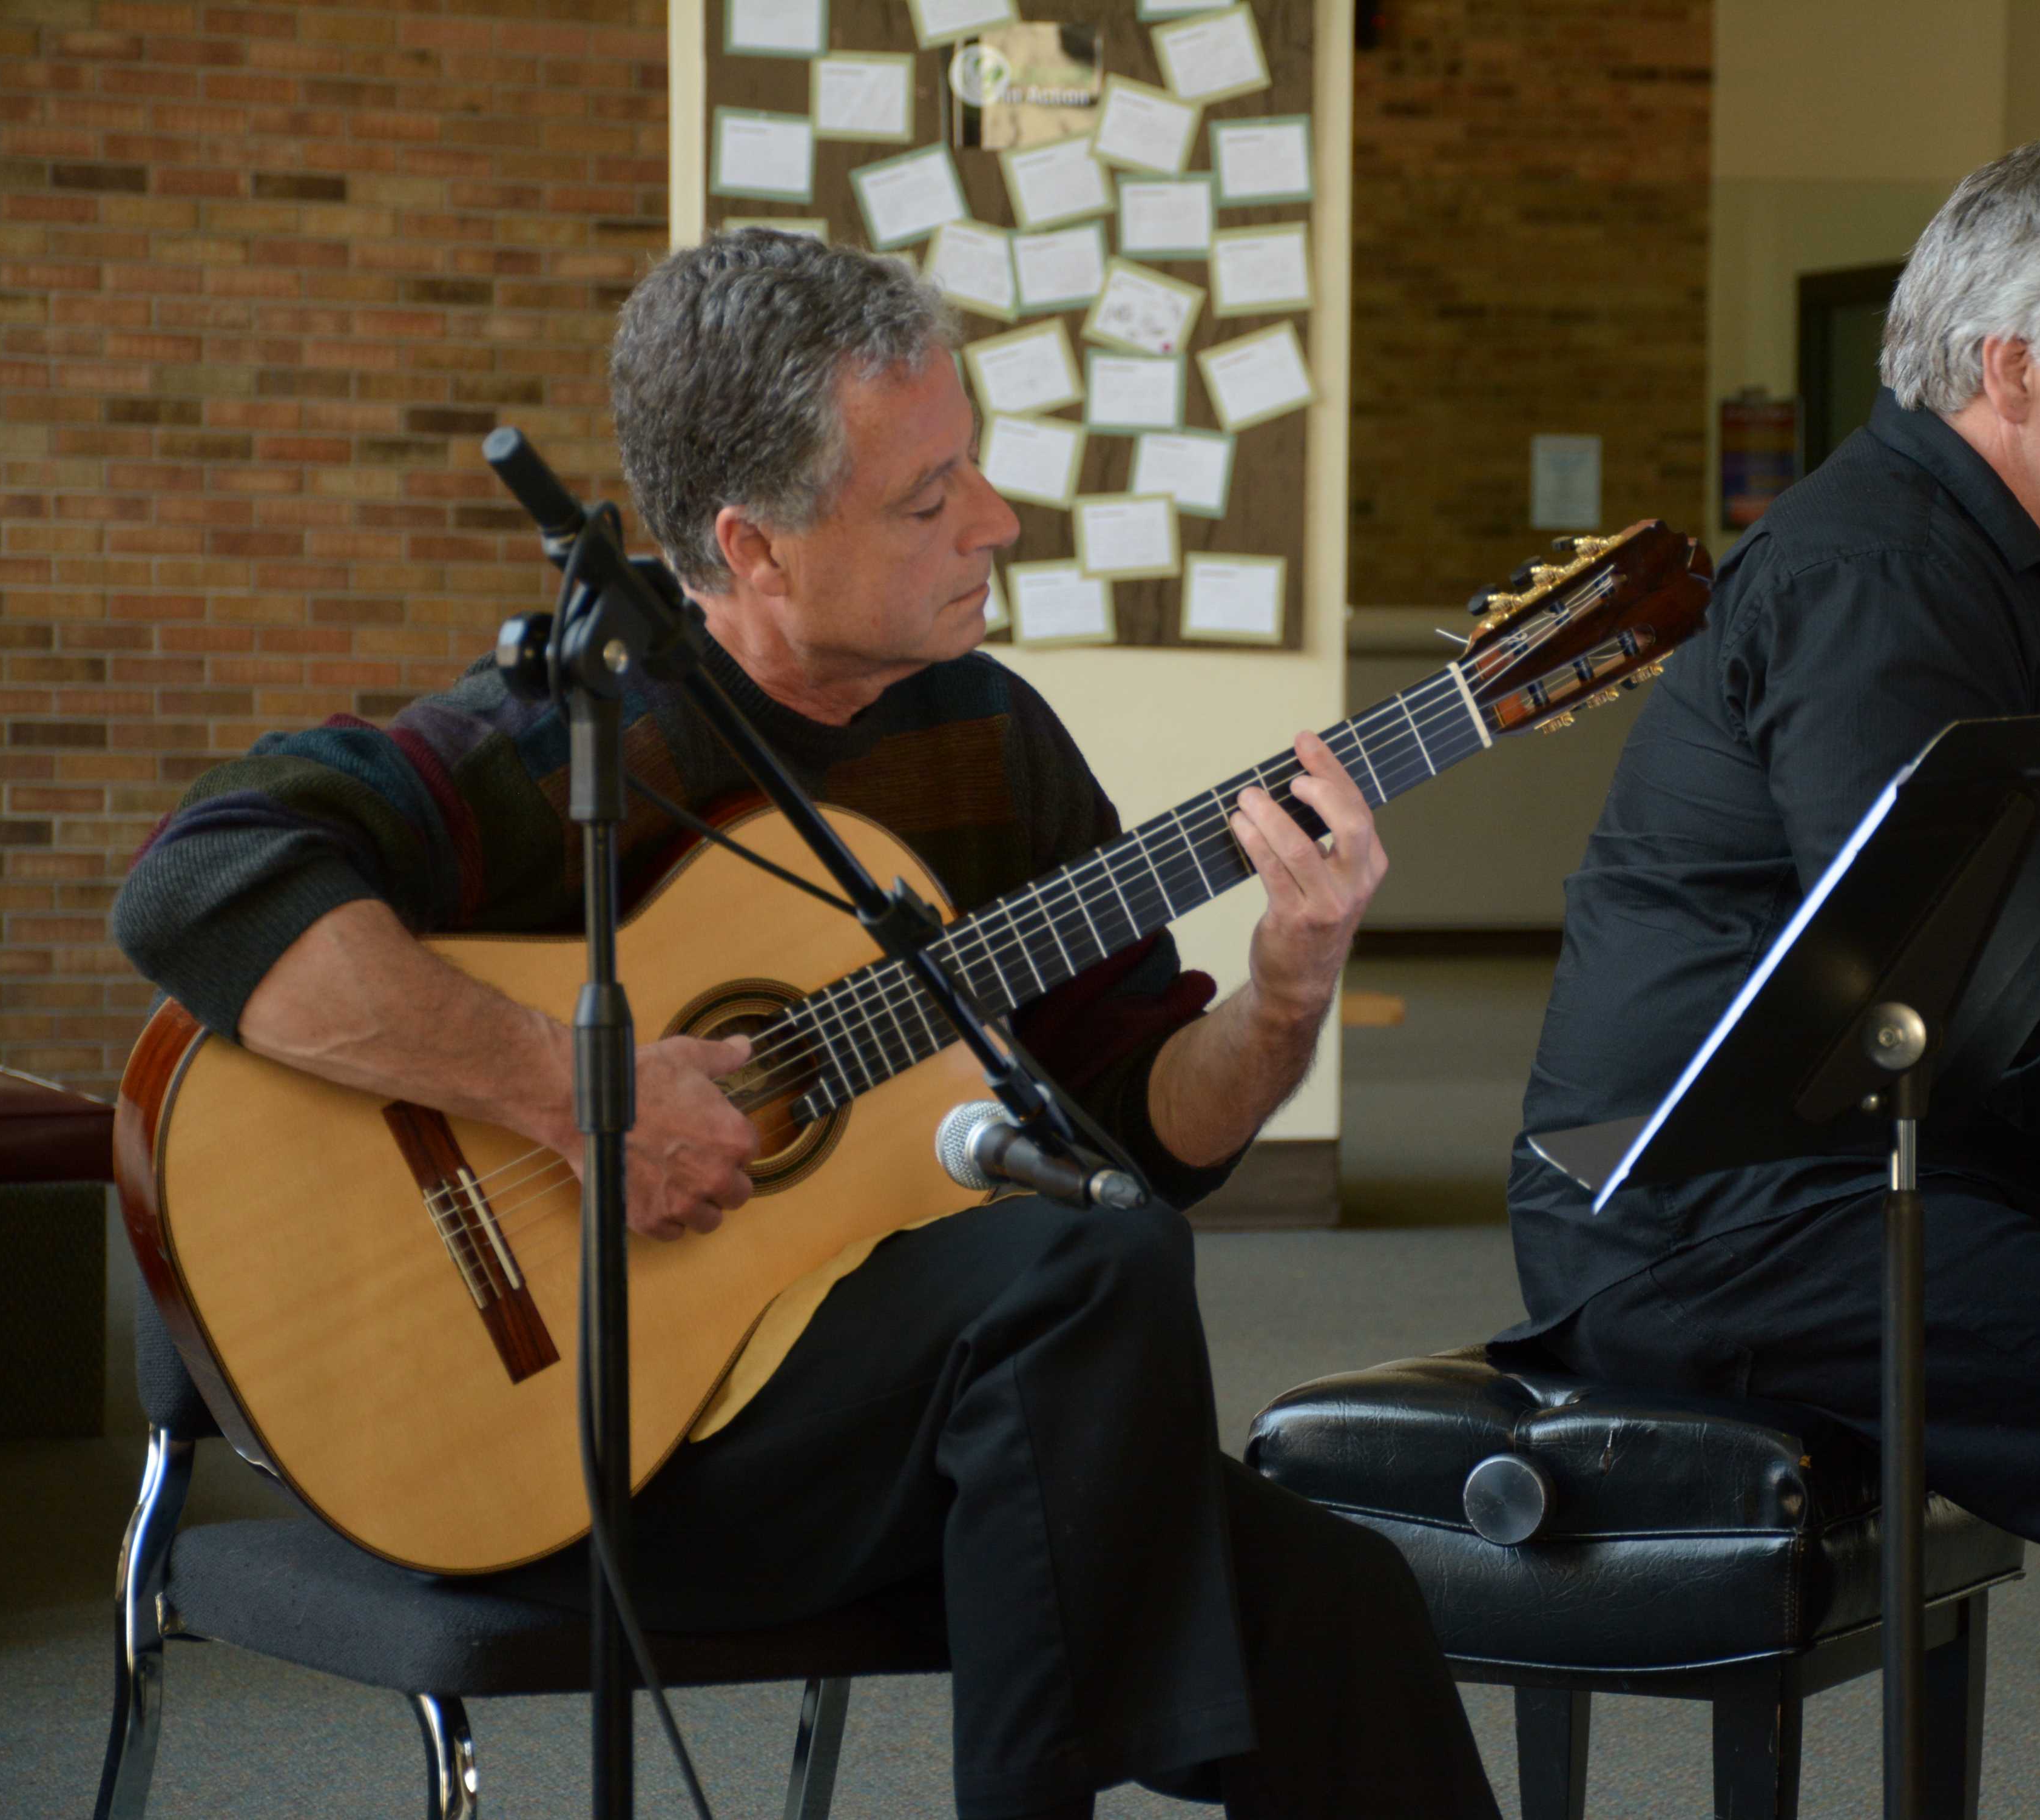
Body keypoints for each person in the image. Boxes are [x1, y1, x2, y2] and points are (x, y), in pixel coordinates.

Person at [112, 229, 1499, 1820]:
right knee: (1086, 1275)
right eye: (929, 500)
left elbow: (1130, 1132)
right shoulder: (590, 738)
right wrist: (573, 1089)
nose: (998, 520)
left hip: (885, 1418)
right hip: (577, 1443)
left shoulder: (989, 738)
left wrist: (1282, 997)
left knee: (1344, 1608)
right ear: (752, 550)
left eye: (975, 462)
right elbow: (198, 883)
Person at [1496, 137, 2040, 1818]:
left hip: (1891, 1163)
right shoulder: (1872, 570)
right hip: (1712, 1217)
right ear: (2013, 363)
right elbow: (1932, 966)